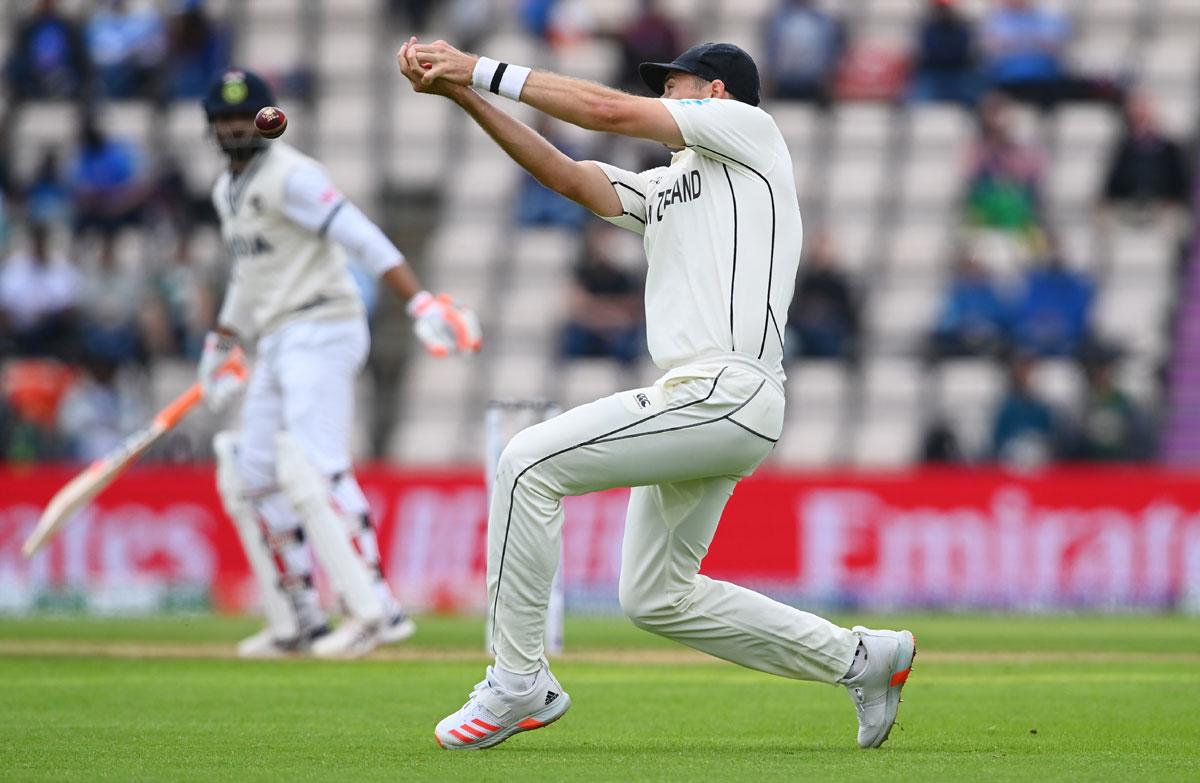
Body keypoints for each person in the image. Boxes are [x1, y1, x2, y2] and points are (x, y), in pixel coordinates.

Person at [399, 37, 915, 750]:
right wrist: (464, 97)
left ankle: (519, 679)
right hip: (704, 397)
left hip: (727, 386)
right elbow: (572, 176)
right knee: (655, 596)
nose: (667, 95)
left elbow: (607, 111)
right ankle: (862, 658)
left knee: (525, 464)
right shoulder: (668, 186)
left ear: (719, 96)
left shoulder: (752, 133)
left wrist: (475, 66)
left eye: (680, 85)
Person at [198, 68, 482, 658]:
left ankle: (376, 608)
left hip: (323, 323)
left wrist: (419, 299)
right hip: (276, 336)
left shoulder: (292, 175)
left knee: (316, 464)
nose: (232, 126)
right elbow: (250, 277)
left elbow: (360, 234)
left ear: (265, 118)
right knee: (250, 473)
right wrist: (224, 340)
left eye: (243, 114)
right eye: (223, 117)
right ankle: (299, 617)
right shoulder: (226, 191)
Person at [560, 223, 644, 366]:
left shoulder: (625, 275)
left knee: (628, 342)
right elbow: (576, 303)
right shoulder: (584, 271)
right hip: (590, 326)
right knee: (574, 338)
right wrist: (604, 314)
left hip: (617, 327)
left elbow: (633, 307)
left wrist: (599, 310)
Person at [786, 233, 858, 360]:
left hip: (831, 337)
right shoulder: (805, 281)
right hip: (805, 336)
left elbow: (849, 318)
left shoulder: (839, 284)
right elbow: (794, 313)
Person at [761, 0, 845, 105]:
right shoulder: (777, 19)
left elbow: (831, 52)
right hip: (782, 83)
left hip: (814, 84)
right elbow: (770, 50)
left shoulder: (824, 21)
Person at [908, 0, 978, 107]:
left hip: (958, 74)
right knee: (916, 101)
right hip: (933, 74)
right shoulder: (927, 29)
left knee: (975, 97)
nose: (944, 12)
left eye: (946, 9)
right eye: (941, 9)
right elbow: (927, 54)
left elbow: (965, 54)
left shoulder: (963, 29)